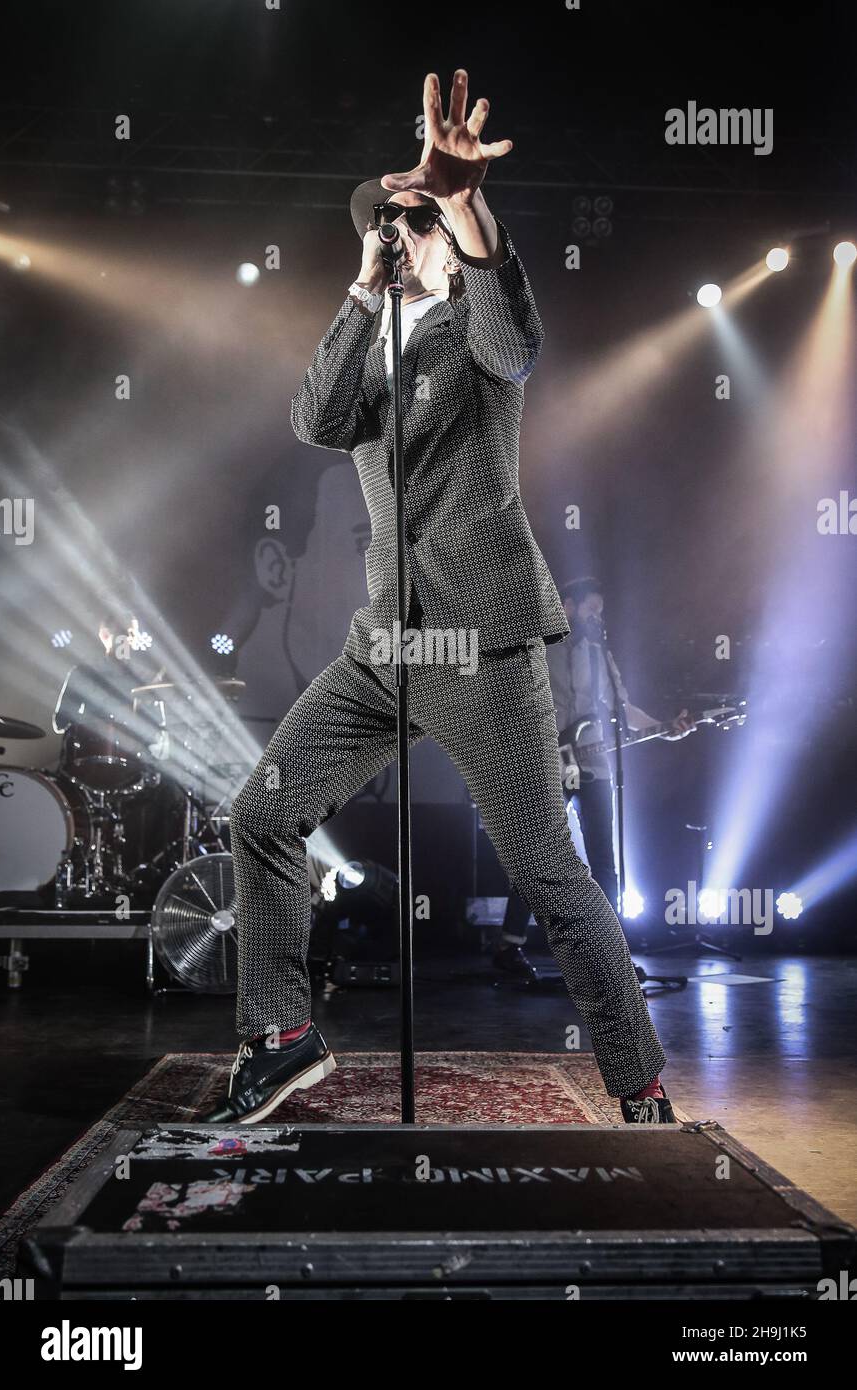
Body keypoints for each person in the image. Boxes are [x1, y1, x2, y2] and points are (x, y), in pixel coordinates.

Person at [207, 71, 675, 1126]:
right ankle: (282, 1038)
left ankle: (639, 1084)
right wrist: (359, 289)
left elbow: (517, 339)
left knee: (547, 873)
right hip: (384, 648)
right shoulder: (369, 342)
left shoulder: (478, 334)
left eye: (414, 216)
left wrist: (464, 210)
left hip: (480, 644)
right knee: (262, 811)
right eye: (392, 217)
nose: (400, 229)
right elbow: (315, 421)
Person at [495, 576, 694, 979]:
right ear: (567, 606)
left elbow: (622, 707)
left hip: (595, 765)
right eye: (591, 610)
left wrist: (664, 725)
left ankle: (610, 957)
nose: (597, 618)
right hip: (546, 762)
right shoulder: (537, 647)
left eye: (600, 612)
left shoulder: (600, 654)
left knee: (605, 862)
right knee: (537, 858)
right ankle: (508, 947)